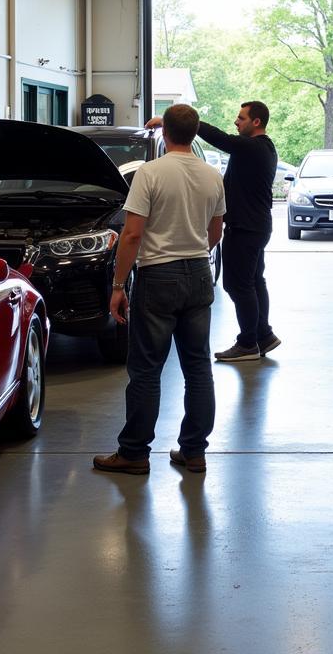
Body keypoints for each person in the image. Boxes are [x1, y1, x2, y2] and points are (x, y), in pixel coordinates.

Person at [93, 103, 225, 477]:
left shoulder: (150, 173)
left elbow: (132, 234)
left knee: (147, 369)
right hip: (198, 272)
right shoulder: (212, 175)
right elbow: (216, 231)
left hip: (158, 276)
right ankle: (194, 451)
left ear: (164, 132)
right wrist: (196, 252)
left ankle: (134, 453)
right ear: (195, 133)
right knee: (198, 367)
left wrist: (118, 286)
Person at [147, 100, 279, 363]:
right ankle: (263, 335)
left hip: (245, 227)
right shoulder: (261, 149)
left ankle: (248, 343)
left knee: (237, 284)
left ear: (256, 122)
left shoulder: (253, 147)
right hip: (255, 225)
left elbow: (220, 138)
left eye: (241, 118)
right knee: (254, 281)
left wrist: (169, 121)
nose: (236, 121)